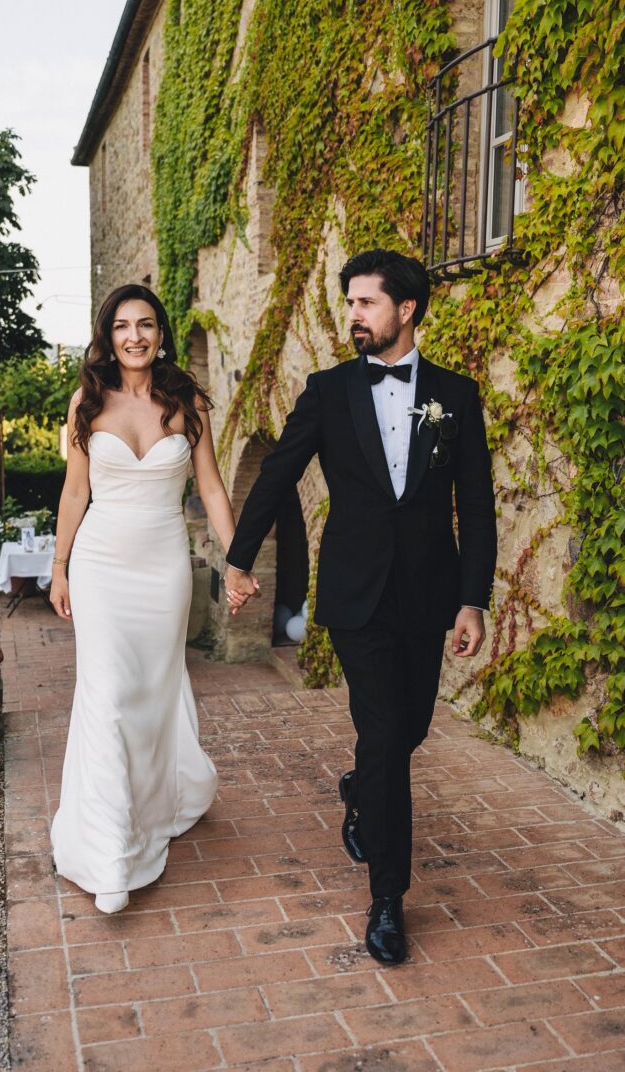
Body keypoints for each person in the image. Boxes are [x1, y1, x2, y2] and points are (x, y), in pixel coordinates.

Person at [225, 249, 497, 965]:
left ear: (406, 310)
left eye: (366, 303)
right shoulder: (328, 390)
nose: (353, 316)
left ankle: (359, 790)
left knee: (407, 730)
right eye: (348, 303)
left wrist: (473, 600)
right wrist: (238, 558)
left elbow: (476, 504)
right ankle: (388, 900)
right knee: (383, 736)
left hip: (429, 595)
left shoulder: (455, 395)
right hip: (353, 594)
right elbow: (279, 474)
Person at [49, 284, 248, 914]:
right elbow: (75, 494)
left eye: (147, 325)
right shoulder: (88, 401)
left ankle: (160, 800)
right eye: (122, 326)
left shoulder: (186, 401)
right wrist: (59, 569)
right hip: (101, 565)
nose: (135, 336)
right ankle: (110, 854)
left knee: (153, 692)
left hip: (163, 568)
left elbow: (212, 489)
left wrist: (235, 559)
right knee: (107, 695)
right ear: (108, 336)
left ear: (161, 333)